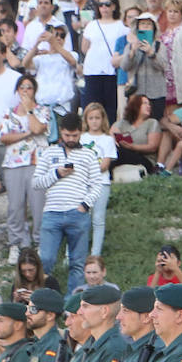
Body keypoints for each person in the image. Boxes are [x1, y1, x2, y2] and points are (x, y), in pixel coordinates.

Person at [33, 113, 100, 292]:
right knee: (45, 260)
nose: (70, 139)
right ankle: (43, 301)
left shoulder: (89, 155)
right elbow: (36, 182)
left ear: (81, 132)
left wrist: (84, 206)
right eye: (67, 135)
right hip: (52, 213)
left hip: (77, 213)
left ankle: (73, 307)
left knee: (78, 264)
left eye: (75, 136)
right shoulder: (49, 152)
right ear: (61, 132)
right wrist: (56, 173)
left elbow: (96, 185)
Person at [0, 74, 49, 259]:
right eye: (22, 87)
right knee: (15, 206)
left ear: (34, 91)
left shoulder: (42, 111)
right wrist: (25, 134)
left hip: (37, 163)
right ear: (17, 91)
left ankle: (40, 241)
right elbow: (3, 137)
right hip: (13, 164)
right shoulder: (8, 113)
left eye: (29, 87)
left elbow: (38, 129)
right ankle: (17, 243)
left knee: (38, 205)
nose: (25, 91)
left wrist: (29, 111)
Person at [79, 0, 123, 121]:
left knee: (110, 109)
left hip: (111, 72)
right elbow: (84, 47)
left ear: (114, 6)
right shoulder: (92, 25)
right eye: (101, 4)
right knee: (92, 107)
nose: (104, 7)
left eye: (107, 4)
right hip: (93, 71)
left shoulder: (121, 26)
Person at [78, 102, 115, 256]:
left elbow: (105, 164)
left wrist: (89, 170)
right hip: (81, 183)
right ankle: (74, 252)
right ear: (86, 120)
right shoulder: (81, 138)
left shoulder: (108, 140)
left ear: (102, 119)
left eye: (97, 118)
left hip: (101, 183)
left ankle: (95, 254)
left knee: (98, 218)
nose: (94, 121)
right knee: (80, 218)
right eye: (91, 118)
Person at [24, 21, 76, 123]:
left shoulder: (71, 54)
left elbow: (73, 61)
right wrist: (37, 43)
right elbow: (25, 63)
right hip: (43, 108)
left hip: (62, 108)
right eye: (56, 34)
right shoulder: (41, 58)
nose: (59, 38)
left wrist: (54, 43)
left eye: (62, 35)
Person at [121, 13, 167, 120]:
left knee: (155, 123)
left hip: (156, 94)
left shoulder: (160, 46)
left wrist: (151, 53)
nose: (145, 26)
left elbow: (164, 66)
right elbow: (124, 67)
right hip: (136, 93)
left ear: (154, 28)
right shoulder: (130, 46)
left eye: (148, 24)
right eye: (142, 24)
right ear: (137, 27)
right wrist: (132, 52)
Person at [156, 0, 182, 114]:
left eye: (176, 12)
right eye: (170, 11)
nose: (172, 14)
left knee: (180, 112)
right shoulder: (164, 34)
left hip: (180, 79)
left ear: (181, 14)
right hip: (165, 80)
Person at [112, 92, 160, 173]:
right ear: (136, 106)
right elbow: (112, 133)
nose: (148, 106)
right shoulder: (123, 123)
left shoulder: (152, 122)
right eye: (145, 103)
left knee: (119, 153)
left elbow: (152, 147)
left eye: (149, 104)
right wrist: (114, 140)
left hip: (145, 159)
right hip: (124, 154)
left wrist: (132, 147)